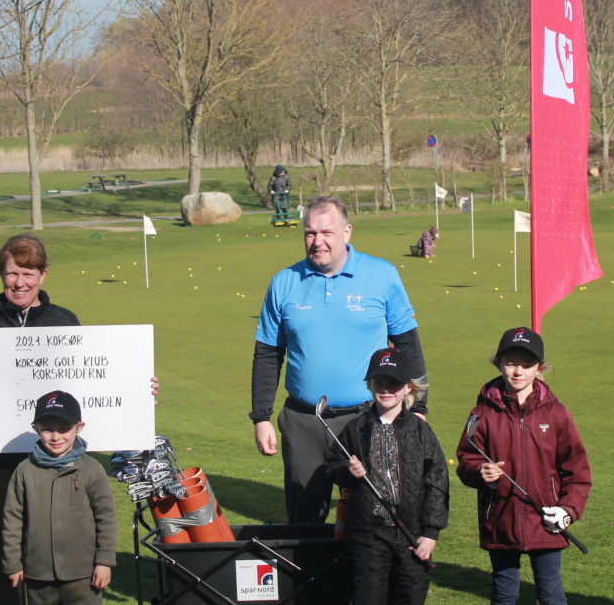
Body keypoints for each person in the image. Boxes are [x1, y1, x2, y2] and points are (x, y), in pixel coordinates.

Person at [250, 194, 430, 523]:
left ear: (346, 233)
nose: (317, 242)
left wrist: (417, 408)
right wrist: (261, 416)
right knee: (305, 524)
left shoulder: (382, 275)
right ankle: (309, 577)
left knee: (372, 521)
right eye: (309, 233)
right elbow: (267, 354)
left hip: (367, 420)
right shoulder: (284, 283)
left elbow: (407, 345)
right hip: (303, 422)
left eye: (326, 233)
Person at [0, 234, 80, 605]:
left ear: (43, 275)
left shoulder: (65, 321)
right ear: (1, 273)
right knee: (4, 557)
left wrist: (138, 388)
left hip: (53, 464)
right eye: (12, 273)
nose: (20, 282)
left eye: (28, 273)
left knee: (51, 555)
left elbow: (88, 381)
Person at [455, 328, 591, 605]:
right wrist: (481, 472)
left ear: (540, 368)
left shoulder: (556, 413)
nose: (518, 372)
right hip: (500, 519)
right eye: (511, 363)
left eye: (527, 365)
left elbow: (577, 470)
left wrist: (568, 510)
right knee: (504, 595)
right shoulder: (482, 413)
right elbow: (467, 458)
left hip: (547, 520)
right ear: (498, 364)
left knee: (551, 594)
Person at [326, 348, 449, 605]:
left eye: (394, 383)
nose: (386, 389)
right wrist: (348, 471)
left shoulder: (420, 431)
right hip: (369, 537)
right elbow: (332, 466)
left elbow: (437, 480)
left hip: (412, 536)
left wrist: (430, 531)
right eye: (379, 382)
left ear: (407, 388)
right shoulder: (356, 427)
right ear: (370, 385)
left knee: (410, 597)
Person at [2, 391, 118, 605]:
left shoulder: (92, 470)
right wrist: (13, 563)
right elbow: (12, 520)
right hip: (38, 574)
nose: (56, 437)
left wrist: (104, 562)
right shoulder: (24, 471)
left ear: (79, 427)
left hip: (84, 574)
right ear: (36, 429)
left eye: (64, 429)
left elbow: (107, 519)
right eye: (48, 430)